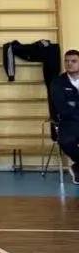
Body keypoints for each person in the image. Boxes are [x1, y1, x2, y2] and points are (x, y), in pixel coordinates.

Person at [51, 48, 79, 184]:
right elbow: (61, 107)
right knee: (66, 142)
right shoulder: (57, 82)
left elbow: (71, 105)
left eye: (74, 61)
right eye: (67, 61)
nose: (69, 64)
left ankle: (77, 167)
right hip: (68, 122)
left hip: (74, 116)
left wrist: (74, 103)